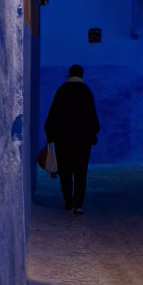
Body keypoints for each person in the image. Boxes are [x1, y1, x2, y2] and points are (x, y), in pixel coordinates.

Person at [44, 64, 101, 215]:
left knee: (66, 172)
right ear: (82, 75)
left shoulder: (62, 91)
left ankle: (68, 202)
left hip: (63, 141)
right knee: (81, 173)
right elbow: (93, 117)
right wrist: (92, 134)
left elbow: (53, 115)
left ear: (69, 74)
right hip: (83, 141)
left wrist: (51, 135)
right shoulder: (86, 91)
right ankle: (79, 205)